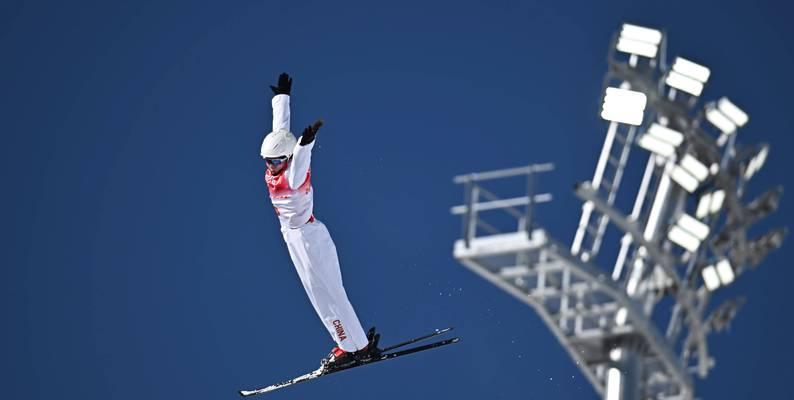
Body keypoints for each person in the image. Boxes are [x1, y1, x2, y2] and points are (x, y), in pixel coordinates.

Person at [260, 72, 379, 369]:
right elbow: (280, 132)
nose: (271, 166)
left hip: (309, 237)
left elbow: (299, 156)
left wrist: (306, 142)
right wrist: (282, 98)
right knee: (315, 293)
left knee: (331, 290)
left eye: (276, 161)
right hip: (292, 237)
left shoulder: (293, 173)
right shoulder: (278, 161)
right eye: (267, 161)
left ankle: (360, 345)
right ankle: (345, 344)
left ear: (287, 159)